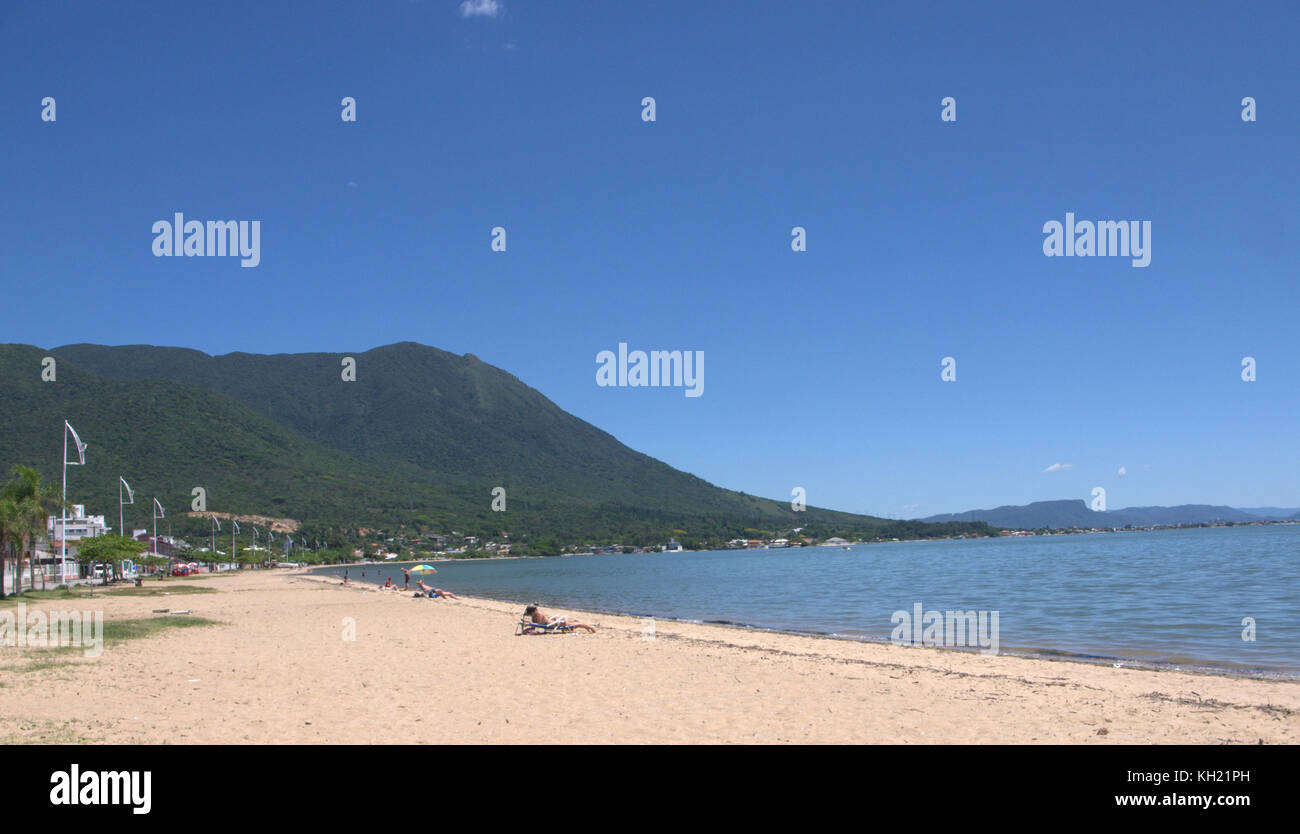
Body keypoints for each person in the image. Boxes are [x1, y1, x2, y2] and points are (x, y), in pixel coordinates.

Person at [524, 603, 595, 633]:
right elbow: (534, 626)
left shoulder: (539, 614)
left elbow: (538, 624)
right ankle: (588, 627)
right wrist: (529, 628)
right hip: (552, 623)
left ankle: (590, 627)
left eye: (531, 613)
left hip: (555, 624)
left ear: (533, 611)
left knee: (574, 624)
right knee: (573, 625)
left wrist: (529, 623)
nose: (530, 615)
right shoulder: (534, 616)